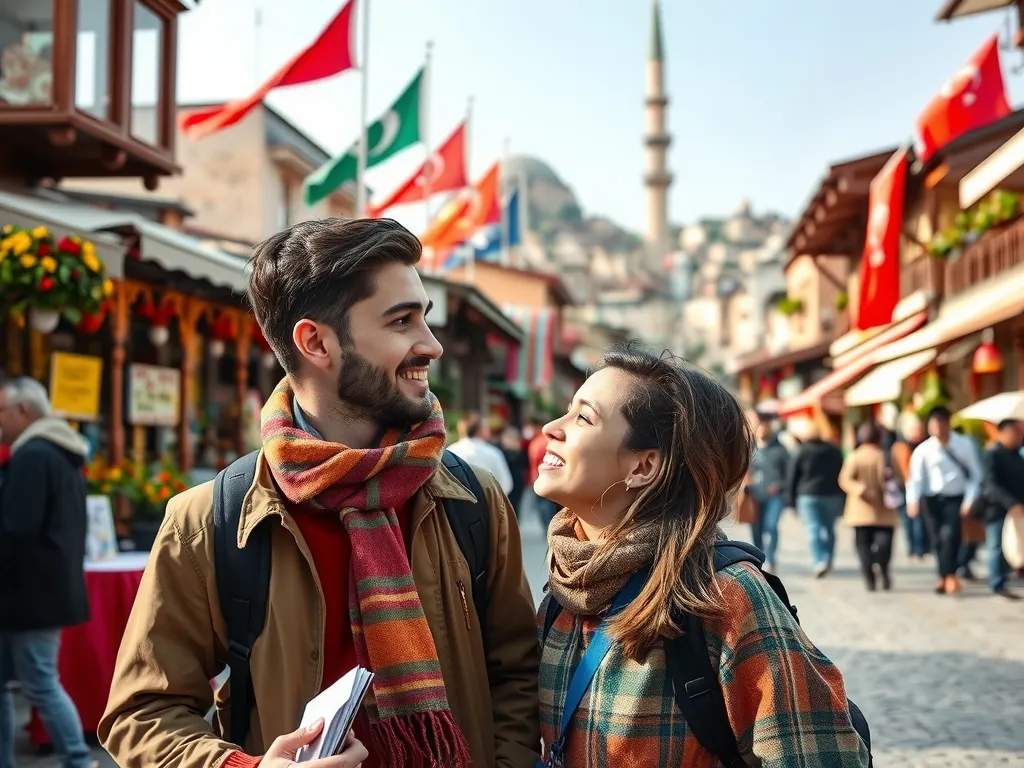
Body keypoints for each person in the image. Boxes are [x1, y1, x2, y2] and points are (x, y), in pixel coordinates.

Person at [100, 218, 541, 768]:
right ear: (315, 342)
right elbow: (142, 713)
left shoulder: (471, 499)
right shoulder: (210, 520)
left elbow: (519, 675)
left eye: (424, 317)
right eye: (401, 321)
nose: (432, 345)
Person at [535, 343, 869, 766]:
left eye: (583, 417)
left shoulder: (724, 596)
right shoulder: (563, 591)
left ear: (643, 467)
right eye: (567, 411)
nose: (551, 427)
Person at [0, 378, 93, 768]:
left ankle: (78, 759)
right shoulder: (60, 450)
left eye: (1, 411)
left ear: (23, 411)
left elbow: (16, 529)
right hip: (43, 591)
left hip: (29, 595)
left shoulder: (33, 454)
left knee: (40, 684)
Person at [906, 406, 981, 596]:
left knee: (950, 535)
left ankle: (950, 575)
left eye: (940, 424)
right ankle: (944, 575)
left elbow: (975, 475)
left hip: (956, 497)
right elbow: (916, 478)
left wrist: (969, 500)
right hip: (932, 500)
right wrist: (912, 500)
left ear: (948, 424)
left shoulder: (964, 444)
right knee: (937, 539)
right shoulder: (924, 449)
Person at [839, 422, 897, 592]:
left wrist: (860, 489)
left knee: (863, 546)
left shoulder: (854, 456)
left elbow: (844, 479)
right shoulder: (887, 456)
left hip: (861, 510)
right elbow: (901, 478)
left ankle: (869, 576)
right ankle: (883, 569)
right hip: (885, 509)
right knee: (885, 546)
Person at [786, 417, 845, 578]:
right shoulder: (834, 450)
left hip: (808, 495)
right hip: (832, 495)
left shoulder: (801, 451)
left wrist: (791, 500)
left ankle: (819, 561)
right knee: (829, 529)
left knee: (813, 528)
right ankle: (828, 559)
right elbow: (842, 472)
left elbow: (792, 477)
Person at [979, 419, 1024, 600]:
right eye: (1016, 433)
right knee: (997, 546)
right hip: (998, 509)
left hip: (1017, 509)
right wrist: (1010, 503)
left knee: (1013, 546)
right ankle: (997, 582)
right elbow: (991, 485)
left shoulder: (1016, 455)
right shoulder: (992, 454)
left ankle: (1006, 575)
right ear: (1004, 432)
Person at [749, 415, 789, 570]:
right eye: (761, 428)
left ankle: (771, 557)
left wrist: (779, 485)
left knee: (771, 525)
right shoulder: (751, 449)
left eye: (766, 428)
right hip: (754, 494)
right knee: (756, 527)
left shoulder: (780, 450)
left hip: (775, 495)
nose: (763, 431)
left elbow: (789, 473)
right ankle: (759, 555)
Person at [447, 413, 515, 496]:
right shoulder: (493, 452)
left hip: (456, 500)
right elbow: (505, 485)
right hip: (487, 500)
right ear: (481, 430)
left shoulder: (450, 451)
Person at [890, 413, 928, 559]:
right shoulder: (900, 446)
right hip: (903, 488)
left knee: (920, 519)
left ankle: (921, 547)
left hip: (921, 487)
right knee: (908, 520)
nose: (917, 432)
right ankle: (912, 547)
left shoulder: (925, 445)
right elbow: (898, 468)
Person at [498, 425, 528, 515]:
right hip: (515, 480)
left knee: (512, 505)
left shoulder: (503, 452)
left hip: (512, 480)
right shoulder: (519, 450)